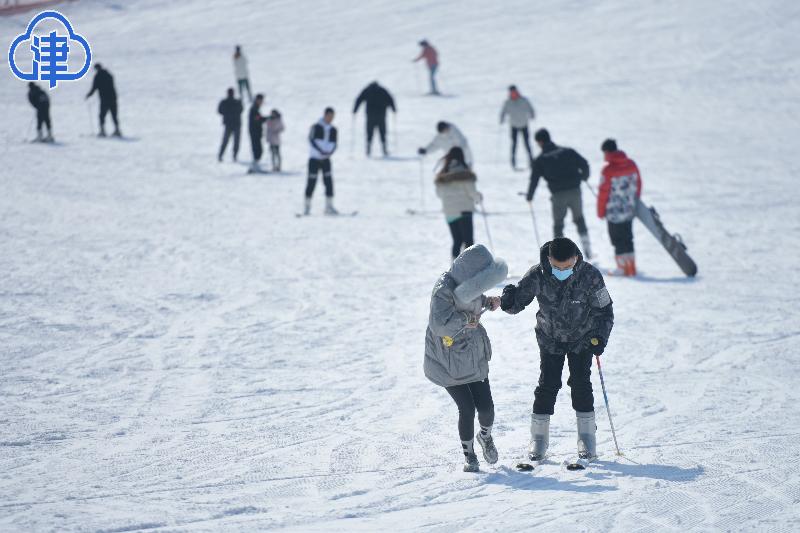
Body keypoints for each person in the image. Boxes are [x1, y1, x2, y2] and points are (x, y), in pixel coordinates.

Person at [500, 237, 614, 462]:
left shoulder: (590, 276)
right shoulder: (538, 274)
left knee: (581, 384)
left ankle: (587, 438)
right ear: (549, 259)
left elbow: (605, 311)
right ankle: (539, 439)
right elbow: (518, 302)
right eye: (557, 267)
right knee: (548, 385)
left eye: (568, 266)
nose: (562, 271)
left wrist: (600, 336)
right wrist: (508, 299)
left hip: (582, 339)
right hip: (550, 338)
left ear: (576, 258)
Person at [424, 244, 507, 472]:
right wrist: (464, 320)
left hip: (472, 353)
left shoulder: (470, 283)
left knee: (487, 408)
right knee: (467, 409)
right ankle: (469, 454)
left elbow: (474, 300)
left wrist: (488, 302)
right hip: (448, 359)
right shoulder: (443, 289)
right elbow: (439, 324)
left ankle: (485, 437)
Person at [527, 128, 593, 258]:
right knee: (579, 219)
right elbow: (584, 163)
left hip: (558, 195)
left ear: (539, 142)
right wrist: (583, 177)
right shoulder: (568, 151)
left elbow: (534, 179)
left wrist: (530, 196)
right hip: (575, 191)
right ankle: (587, 249)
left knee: (558, 224)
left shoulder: (540, 159)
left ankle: (560, 255)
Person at [598, 139, 642, 276]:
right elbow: (638, 184)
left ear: (606, 152)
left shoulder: (607, 170)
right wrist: (634, 201)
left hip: (613, 212)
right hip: (629, 209)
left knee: (617, 239)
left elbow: (603, 192)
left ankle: (622, 268)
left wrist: (600, 211)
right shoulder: (632, 164)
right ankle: (631, 267)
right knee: (628, 237)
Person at [435, 147, 483, 261]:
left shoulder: (442, 176)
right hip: (464, 211)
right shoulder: (466, 174)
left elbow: (439, 194)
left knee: (457, 240)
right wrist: (478, 197)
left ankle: (454, 268)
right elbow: (472, 193)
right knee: (468, 242)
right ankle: (471, 267)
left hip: (449, 213)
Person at [304, 107, 338, 215]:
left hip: (326, 160)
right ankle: (307, 207)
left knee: (328, 182)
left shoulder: (333, 129)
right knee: (311, 182)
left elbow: (335, 144)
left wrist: (328, 153)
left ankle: (329, 206)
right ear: (325, 115)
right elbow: (311, 140)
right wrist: (321, 151)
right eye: (329, 116)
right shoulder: (316, 127)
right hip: (314, 159)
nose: (331, 118)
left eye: (333, 117)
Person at [353, 81, 396, 157]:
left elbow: (359, 98)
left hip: (370, 115)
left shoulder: (367, 90)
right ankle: (384, 149)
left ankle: (368, 150)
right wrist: (393, 108)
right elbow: (390, 98)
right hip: (381, 115)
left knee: (369, 133)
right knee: (382, 132)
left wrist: (355, 109)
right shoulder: (382, 90)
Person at [499, 85, 536, 169]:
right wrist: (501, 118)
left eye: (514, 92)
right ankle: (513, 162)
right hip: (514, 126)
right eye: (512, 92)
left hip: (524, 124)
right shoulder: (508, 102)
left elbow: (530, 108)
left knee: (527, 144)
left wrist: (532, 115)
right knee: (514, 144)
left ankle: (531, 161)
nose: (513, 93)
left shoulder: (524, 100)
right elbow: (503, 111)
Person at [85, 63, 121, 137]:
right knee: (114, 115)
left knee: (102, 115)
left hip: (105, 99)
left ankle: (102, 131)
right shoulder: (109, 75)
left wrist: (88, 95)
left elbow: (94, 88)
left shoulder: (98, 76)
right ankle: (117, 130)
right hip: (113, 98)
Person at [217, 87, 243, 162]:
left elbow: (220, 111)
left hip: (229, 124)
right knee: (235, 141)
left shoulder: (224, 102)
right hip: (235, 124)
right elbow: (241, 110)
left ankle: (221, 155)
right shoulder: (236, 102)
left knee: (226, 141)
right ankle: (234, 155)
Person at [248, 93, 267, 172]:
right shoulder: (254, 109)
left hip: (256, 132)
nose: (262, 102)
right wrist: (266, 119)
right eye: (261, 100)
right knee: (257, 150)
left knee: (258, 150)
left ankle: (254, 167)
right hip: (254, 132)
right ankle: (254, 168)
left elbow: (258, 118)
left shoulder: (256, 108)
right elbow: (257, 119)